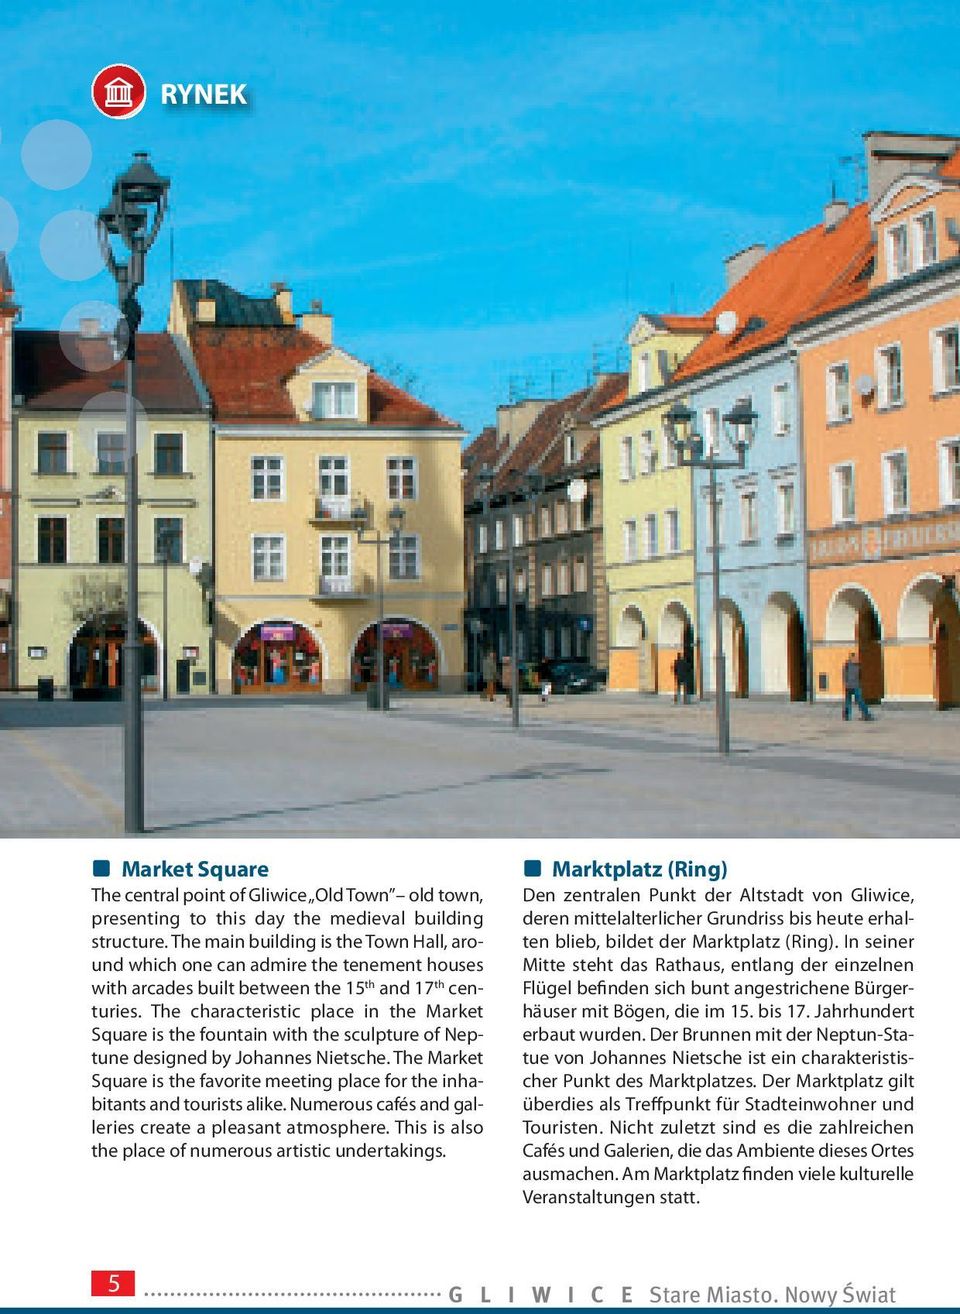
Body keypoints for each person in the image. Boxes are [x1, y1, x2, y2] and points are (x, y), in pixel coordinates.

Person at [842, 651, 874, 722]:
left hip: (856, 685)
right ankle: (847, 716)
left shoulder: (858, 665)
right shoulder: (846, 665)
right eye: (853, 657)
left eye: (855, 657)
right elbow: (844, 675)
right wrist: (845, 684)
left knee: (860, 701)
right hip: (849, 686)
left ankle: (866, 714)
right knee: (848, 702)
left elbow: (861, 675)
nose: (855, 659)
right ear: (850, 658)